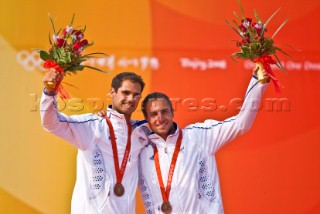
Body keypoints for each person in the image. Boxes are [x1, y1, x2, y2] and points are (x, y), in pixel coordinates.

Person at [135, 69, 269, 213]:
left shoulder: (199, 136)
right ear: (147, 119)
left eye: (164, 111)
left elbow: (241, 123)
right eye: (154, 114)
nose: (160, 118)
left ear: (172, 112)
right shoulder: (140, 149)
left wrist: (257, 81)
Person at [40, 70, 146, 213]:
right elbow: (51, 123)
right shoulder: (93, 126)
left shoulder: (141, 133)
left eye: (136, 95)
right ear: (112, 92)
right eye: (125, 93)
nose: (131, 99)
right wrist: (49, 92)